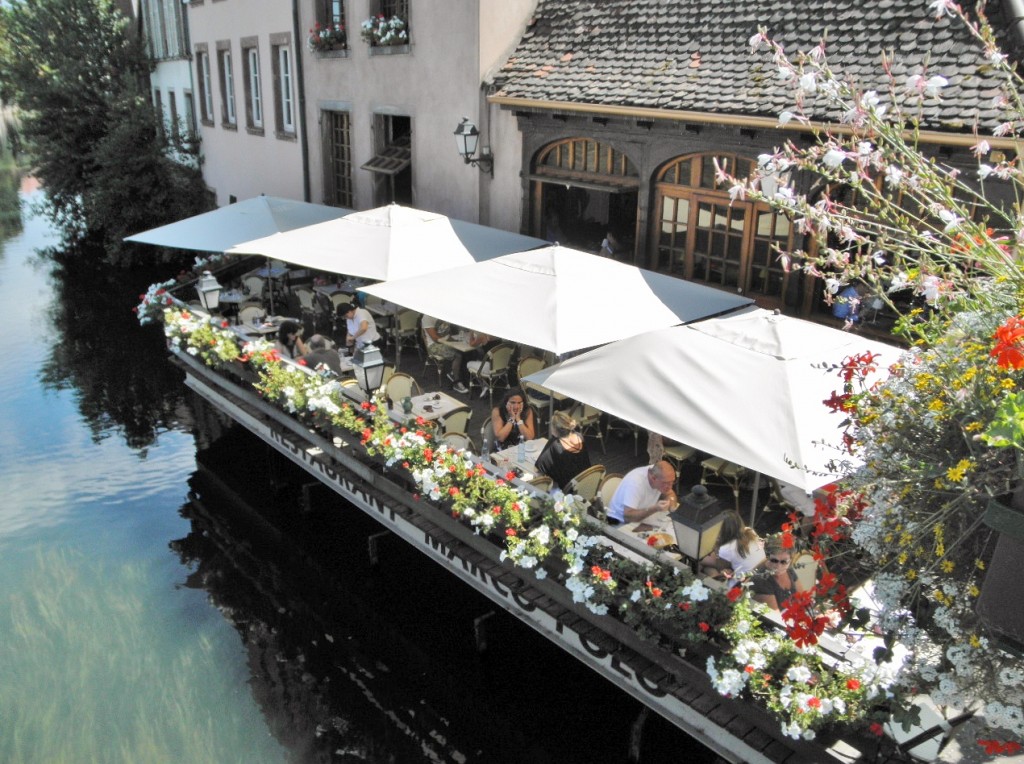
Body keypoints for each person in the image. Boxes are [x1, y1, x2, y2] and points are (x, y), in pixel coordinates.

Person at [534, 410, 591, 491]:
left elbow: (539, 466)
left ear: (555, 429)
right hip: (585, 481)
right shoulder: (579, 436)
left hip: (568, 488)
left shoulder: (555, 444)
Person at [699, 510, 765, 580]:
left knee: (707, 567)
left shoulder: (726, 548)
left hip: (743, 580)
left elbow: (720, 567)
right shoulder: (750, 531)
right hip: (761, 569)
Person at [606, 461, 677, 525]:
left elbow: (670, 494)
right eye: (666, 483)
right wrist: (654, 509)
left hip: (641, 517)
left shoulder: (658, 474)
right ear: (653, 478)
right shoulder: (635, 483)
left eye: (672, 482)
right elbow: (628, 516)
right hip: (620, 522)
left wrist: (672, 505)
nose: (670, 487)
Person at [752, 536, 808, 611]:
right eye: (774, 560)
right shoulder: (761, 579)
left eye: (784, 562)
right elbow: (776, 617)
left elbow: (802, 599)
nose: (778, 566)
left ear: (790, 560)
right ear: (767, 557)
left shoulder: (789, 570)